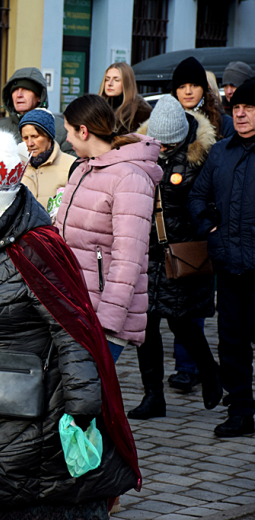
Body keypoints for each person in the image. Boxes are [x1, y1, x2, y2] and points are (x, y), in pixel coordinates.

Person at [0, 130, 140, 519]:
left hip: (32, 410)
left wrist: (82, 406)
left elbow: (72, 329)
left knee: (17, 501)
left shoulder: (35, 251)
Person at [126, 95, 222, 420]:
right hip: (147, 252)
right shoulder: (142, 151)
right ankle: (153, 396)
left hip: (183, 254)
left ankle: (210, 372)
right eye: (158, 142)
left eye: (169, 143)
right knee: (145, 325)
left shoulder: (202, 157)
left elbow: (209, 204)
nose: (163, 148)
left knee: (182, 322)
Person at [55, 94, 162, 363]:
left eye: (68, 132)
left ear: (83, 130)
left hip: (102, 317)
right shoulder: (81, 168)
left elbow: (129, 259)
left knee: (89, 398)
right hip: (76, 306)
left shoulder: (129, 178)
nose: (66, 140)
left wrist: (106, 324)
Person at [188, 78, 255, 438]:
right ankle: (241, 408)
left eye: (249, 108)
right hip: (229, 265)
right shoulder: (221, 152)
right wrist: (208, 228)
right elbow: (198, 196)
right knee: (231, 340)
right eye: (237, 108)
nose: (241, 114)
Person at [0, 67, 73, 155]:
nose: (19, 95)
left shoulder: (61, 129)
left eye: (26, 89)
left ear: (39, 97)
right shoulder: (0, 130)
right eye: (15, 90)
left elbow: (72, 170)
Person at [17, 108, 75, 214]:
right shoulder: (16, 167)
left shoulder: (71, 165)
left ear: (49, 137)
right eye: (25, 138)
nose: (30, 143)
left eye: (35, 136)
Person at [172, 56, 235, 140]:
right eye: (182, 87)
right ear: (175, 92)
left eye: (194, 85)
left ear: (203, 89)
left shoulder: (225, 123)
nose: (188, 92)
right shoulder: (162, 122)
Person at [98, 62, 152, 135]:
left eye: (116, 80)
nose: (110, 83)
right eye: (107, 79)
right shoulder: (96, 107)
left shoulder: (140, 112)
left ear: (127, 83)